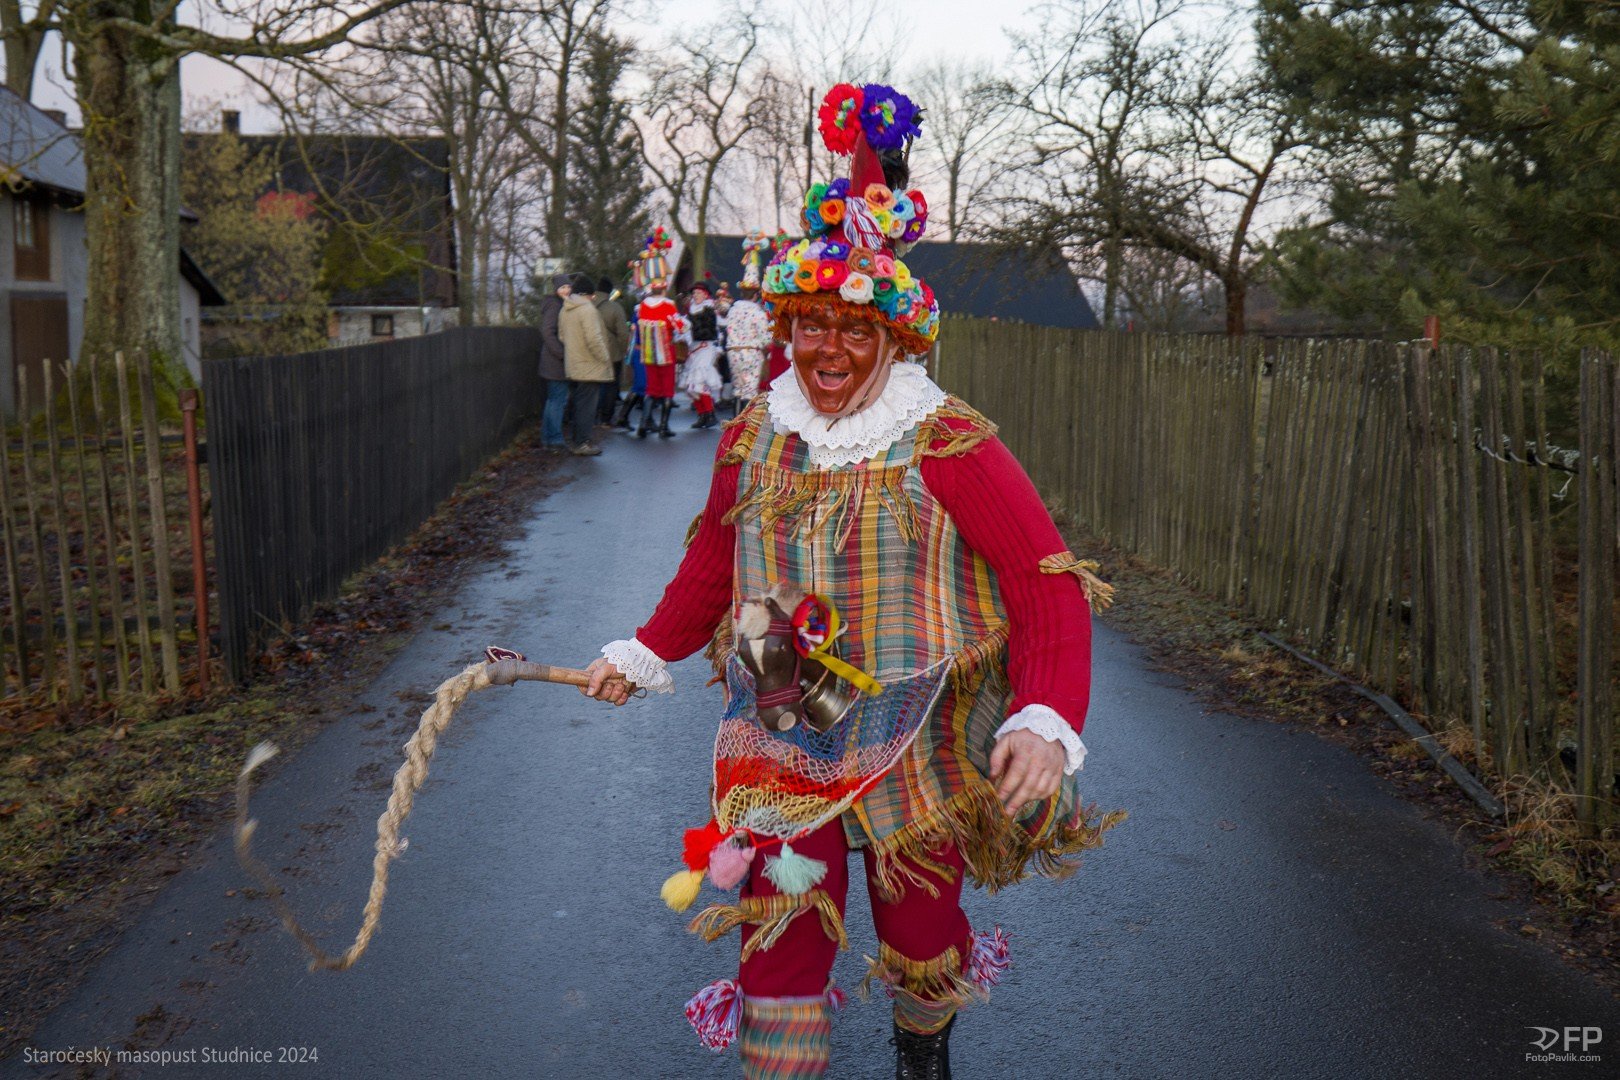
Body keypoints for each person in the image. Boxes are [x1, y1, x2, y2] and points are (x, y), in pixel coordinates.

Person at [581, 83, 1125, 1079]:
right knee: (782, 929)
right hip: (784, 717)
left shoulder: (949, 440)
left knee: (921, 933)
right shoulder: (754, 434)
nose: (829, 349)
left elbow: (1045, 584)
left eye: (856, 329)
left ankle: (924, 1044)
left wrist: (1044, 717)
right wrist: (644, 652)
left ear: (896, 339)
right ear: (788, 330)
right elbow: (712, 563)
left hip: (916, 725)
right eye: (811, 326)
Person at [560, 274, 613, 456]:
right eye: (592, 295)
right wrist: (605, 357)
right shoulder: (588, 310)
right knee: (587, 407)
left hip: (573, 363)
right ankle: (583, 443)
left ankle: (576, 441)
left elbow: (562, 336)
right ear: (588, 294)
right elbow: (594, 339)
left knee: (577, 404)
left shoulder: (565, 309)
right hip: (590, 365)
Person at [726, 233, 774, 406]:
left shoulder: (732, 310)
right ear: (755, 295)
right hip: (751, 352)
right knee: (750, 391)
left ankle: (735, 420)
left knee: (738, 389)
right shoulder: (757, 313)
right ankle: (745, 422)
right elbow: (765, 337)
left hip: (733, 351)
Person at [636, 277, 682, 438]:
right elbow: (679, 327)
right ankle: (663, 427)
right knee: (667, 389)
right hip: (666, 352)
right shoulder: (668, 305)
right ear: (664, 289)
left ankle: (643, 424)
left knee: (652, 388)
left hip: (649, 353)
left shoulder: (643, 306)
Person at [682, 279, 724, 430]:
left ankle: (710, 413)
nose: (696, 295)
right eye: (694, 293)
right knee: (692, 384)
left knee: (699, 381)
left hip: (706, 348)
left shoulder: (709, 310)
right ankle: (702, 414)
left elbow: (709, 332)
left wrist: (690, 329)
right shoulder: (691, 311)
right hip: (694, 349)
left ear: (705, 295)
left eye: (699, 293)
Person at [537, 272, 572, 449]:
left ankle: (547, 438)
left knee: (553, 400)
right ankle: (555, 438)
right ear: (556, 289)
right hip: (555, 362)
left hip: (552, 361)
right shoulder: (555, 306)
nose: (566, 290)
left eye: (568, 287)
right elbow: (547, 331)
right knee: (558, 401)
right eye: (562, 287)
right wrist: (561, 353)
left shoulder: (559, 304)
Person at [595, 277, 632, 425]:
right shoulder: (615, 308)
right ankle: (606, 418)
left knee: (594, 385)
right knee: (611, 385)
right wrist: (623, 350)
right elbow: (623, 333)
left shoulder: (587, 305)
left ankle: (592, 416)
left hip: (591, 352)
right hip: (612, 353)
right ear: (610, 291)